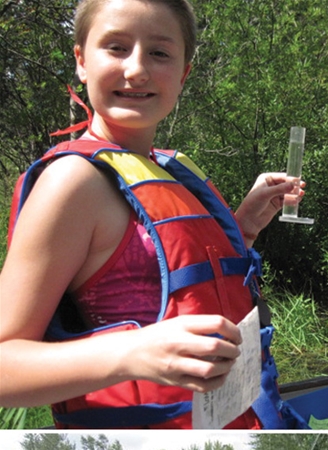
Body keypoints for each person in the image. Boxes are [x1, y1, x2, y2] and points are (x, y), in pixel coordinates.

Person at [0, 0, 302, 428]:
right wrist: (132, 352)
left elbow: (185, 279)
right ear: (82, 61)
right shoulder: (72, 183)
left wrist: (245, 228)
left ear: (183, 74)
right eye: (116, 47)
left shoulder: (170, 168)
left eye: (159, 53)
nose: (137, 69)